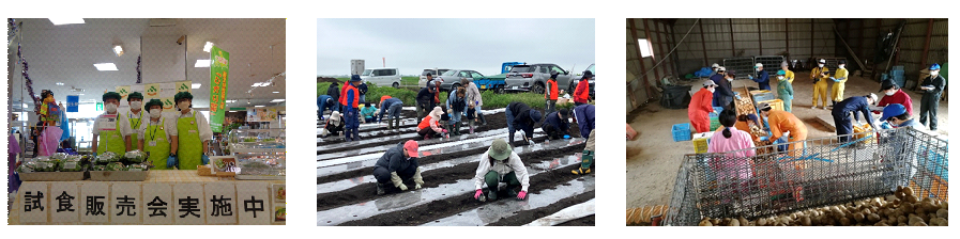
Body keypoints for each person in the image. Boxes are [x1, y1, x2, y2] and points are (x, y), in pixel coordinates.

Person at [878, 103, 925, 191]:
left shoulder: (902, 132)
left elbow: (893, 152)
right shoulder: (919, 125)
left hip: (899, 168)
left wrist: (887, 136)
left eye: (889, 121)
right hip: (911, 164)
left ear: (895, 119)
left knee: (895, 191)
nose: (890, 123)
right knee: (901, 187)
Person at [707, 110, 756, 185]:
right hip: (743, 174)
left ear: (720, 122)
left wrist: (717, 169)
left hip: (724, 176)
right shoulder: (744, 135)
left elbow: (710, 158)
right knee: (744, 194)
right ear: (736, 120)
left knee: (727, 195)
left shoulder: (715, 137)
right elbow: (752, 153)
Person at [172, 92, 213, 170]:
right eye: (180, 101)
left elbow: (205, 136)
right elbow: (175, 138)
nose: (182, 103)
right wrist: (175, 155)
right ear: (177, 104)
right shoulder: (176, 118)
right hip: (182, 154)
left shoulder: (198, 115)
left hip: (197, 154)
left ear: (189, 101)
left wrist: (205, 153)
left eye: (184, 100)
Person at [137, 99, 177, 170]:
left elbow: (174, 140)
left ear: (161, 109)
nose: (154, 109)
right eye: (152, 108)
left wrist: (172, 155)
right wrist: (140, 156)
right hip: (148, 161)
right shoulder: (144, 123)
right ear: (149, 110)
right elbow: (140, 141)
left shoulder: (168, 122)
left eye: (157, 107)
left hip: (164, 161)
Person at [92, 92, 134, 158]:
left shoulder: (123, 118)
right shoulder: (99, 118)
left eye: (114, 102)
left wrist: (127, 153)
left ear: (118, 104)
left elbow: (128, 138)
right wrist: (94, 153)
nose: (111, 104)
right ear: (104, 104)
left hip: (119, 155)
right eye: (108, 102)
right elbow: (95, 137)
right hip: (102, 156)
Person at [918, 63, 945, 131]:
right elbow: (922, 86)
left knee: (932, 114)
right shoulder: (927, 78)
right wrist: (926, 88)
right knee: (923, 113)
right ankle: (921, 127)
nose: (932, 71)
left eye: (934, 70)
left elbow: (939, 90)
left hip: (934, 99)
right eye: (930, 70)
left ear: (938, 70)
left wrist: (930, 89)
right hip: (925, 97)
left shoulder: (941, 80)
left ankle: (933, 129)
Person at [571, 103, 596, 175]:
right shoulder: (588, 107)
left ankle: (584, 169)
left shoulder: (577, 110)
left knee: (589, 147)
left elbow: (583, 125)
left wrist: (587, 138)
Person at [342, 75, 363, 141]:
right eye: (359, 81)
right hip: (348, 107)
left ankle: (356, 137)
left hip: (354, 107)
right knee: (349, 123)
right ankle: (347, 137)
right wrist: (350, 110)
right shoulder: (351, 89)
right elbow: (349, 100)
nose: (360, 82)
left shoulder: (355, 88)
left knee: (355, 122)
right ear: (355, 81)